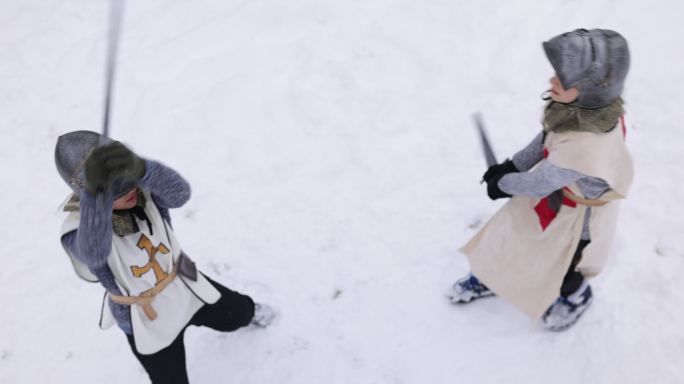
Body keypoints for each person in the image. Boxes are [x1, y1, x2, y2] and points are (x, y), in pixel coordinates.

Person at [449, 29, 634, 331]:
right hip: (552, 196)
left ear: (590, 90)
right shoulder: (583, 110)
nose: (552, 82)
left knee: (561, 266)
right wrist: (511, 165)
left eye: (561, 80)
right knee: (510, 237)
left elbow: (541, 181)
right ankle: (493, 277)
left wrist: (502, 183)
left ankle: (576, 296)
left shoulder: (587, 144)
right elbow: (548, 138)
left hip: (575, 219)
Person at [56, 131, 275, 383]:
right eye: (116, 191)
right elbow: (94, 252)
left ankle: (250, 314)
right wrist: (98, 199)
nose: (129, 191)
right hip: (144, 316)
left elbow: (180, 195)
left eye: (129, 181)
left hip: (185, 283)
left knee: (235, 312)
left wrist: (142, 169)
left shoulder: (144, 192)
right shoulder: (77, 229)